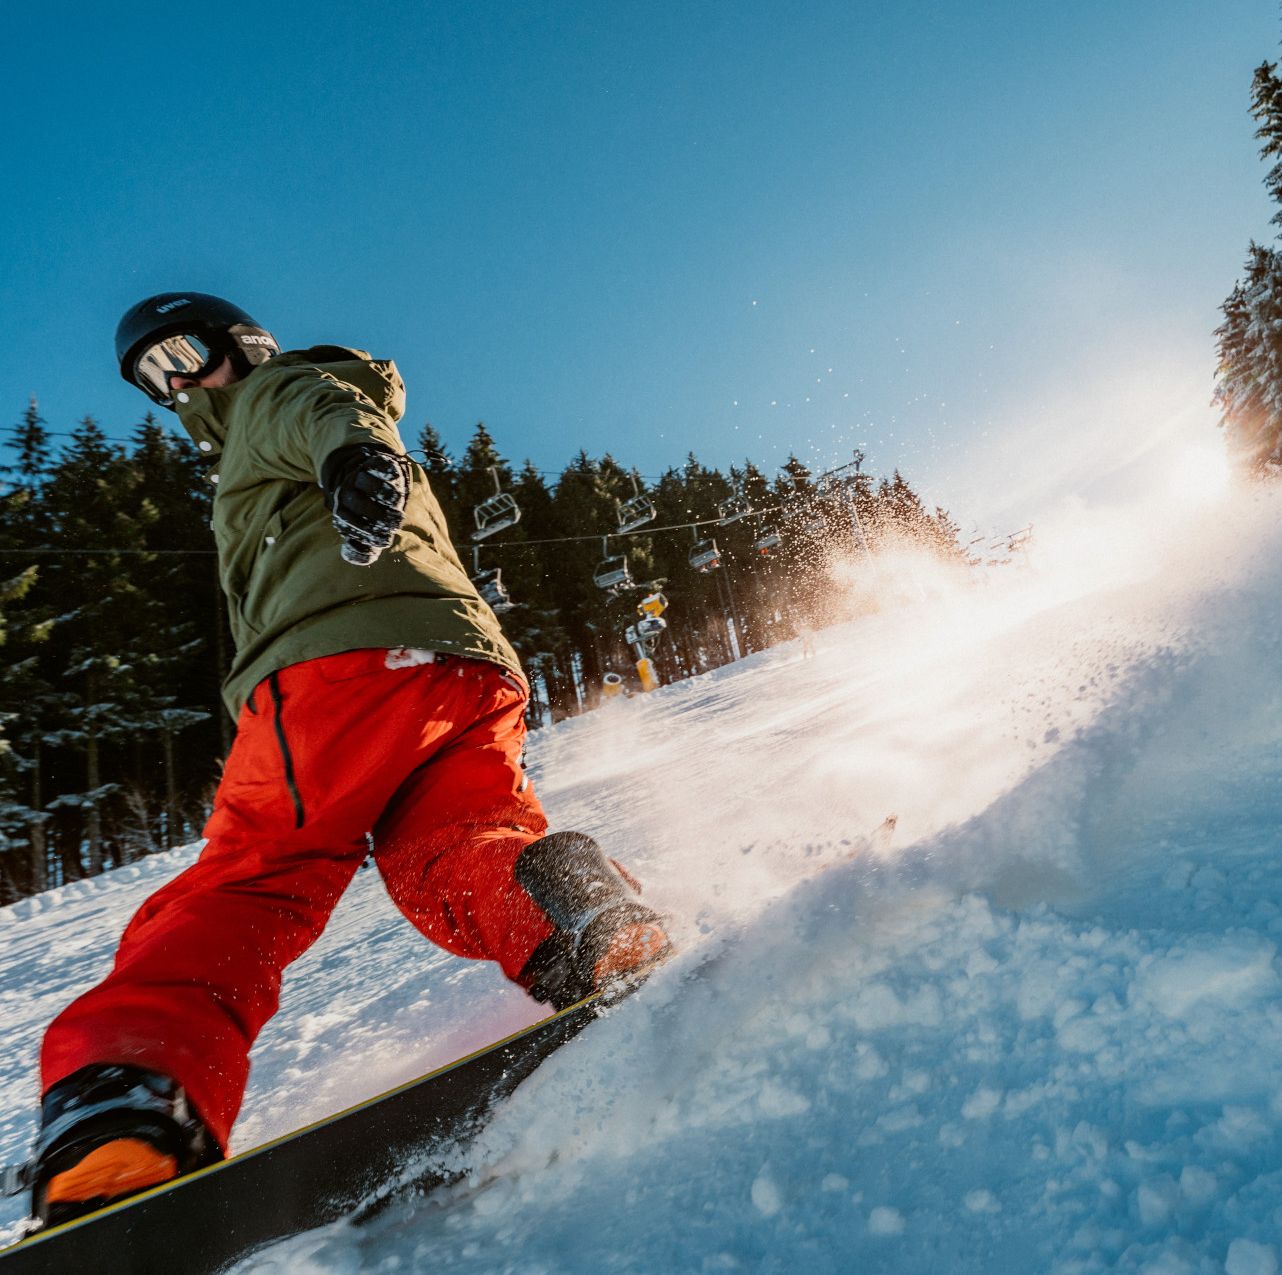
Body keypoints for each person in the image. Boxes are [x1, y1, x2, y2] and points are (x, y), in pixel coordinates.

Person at [29, 293, 671, 1228]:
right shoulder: (300, 408)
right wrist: (356, 459)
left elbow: (327, 414)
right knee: (452, 853)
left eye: (181, 356)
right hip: (457, 668)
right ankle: (582, 915)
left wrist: (357, 457)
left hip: (335, 671)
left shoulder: (278, 391)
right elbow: (343, 417)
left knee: (254, 881)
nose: (177, 388)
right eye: (154, 379)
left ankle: (126, 1104)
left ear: (241, 344)